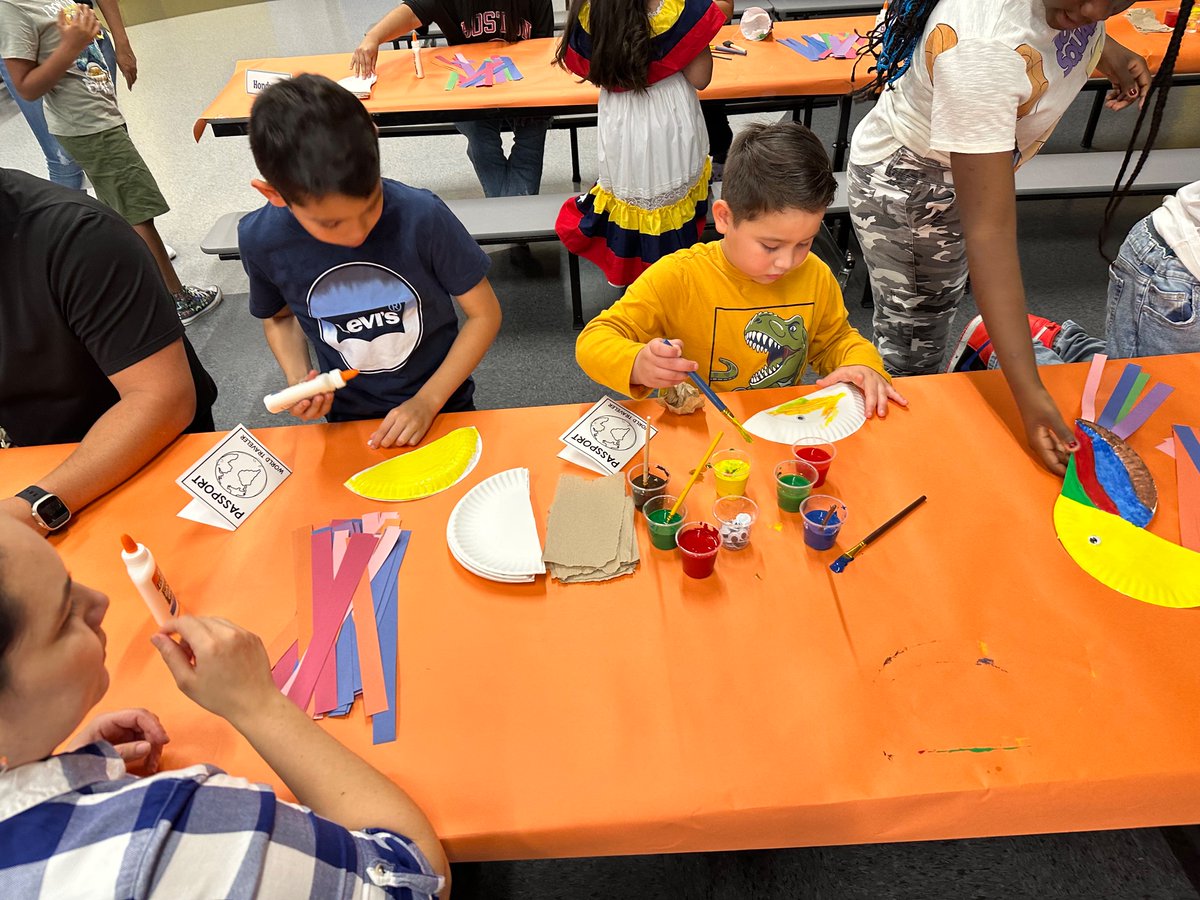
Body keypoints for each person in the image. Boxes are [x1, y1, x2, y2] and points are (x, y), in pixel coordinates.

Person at [0, 515, 450, 898]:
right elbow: (415, 879)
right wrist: (257, 703)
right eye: (64, 618)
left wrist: (50, 773)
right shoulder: (163, 833)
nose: (99, 602)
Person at [846, 0, 1172, 474]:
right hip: (915, 191)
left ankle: (971, 347)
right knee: (912, 357)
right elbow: (991, 232)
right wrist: (1030, 393)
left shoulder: (1061, 15)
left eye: (1114, 2)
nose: (1090, 11)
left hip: (955, 175)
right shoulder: (983, 51)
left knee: (935, 313)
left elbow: (1056, 35)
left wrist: (1110, 52)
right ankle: (900, 469)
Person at [240, 75, 502, 449]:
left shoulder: (421, 216)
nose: (356, 234)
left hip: (445, 405)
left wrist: (428, 401)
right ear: (273, 194)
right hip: (347, 419)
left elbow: (484, 315)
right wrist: (301, 379)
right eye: (331, 222)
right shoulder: (261, 239)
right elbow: (280, 318)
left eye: (370, 206)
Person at [576, 122, 906, 417]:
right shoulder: (679, 276)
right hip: (699, 430)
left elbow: (835, 339)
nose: (787, 262)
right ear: (723, 217)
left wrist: (862, 363)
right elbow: (593, 341)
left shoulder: (815, 274)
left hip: (780, 424)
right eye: (771, 246)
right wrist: (637, 364)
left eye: (804, 243)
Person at [0, 168, 218, 536]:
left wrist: (34, 508)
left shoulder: (78, 234)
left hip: (144, 462)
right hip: (32, 466)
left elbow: (162, 399)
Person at [0, 0, 220, 324]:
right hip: (89, 126)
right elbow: (26, 87)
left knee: (124, 207)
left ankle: (136, 284)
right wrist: (71, 46)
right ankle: (175, 299)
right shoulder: (13, 8)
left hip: (100, 116)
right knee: (137, 212)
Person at [352, 0, 553, 272]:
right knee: (481, 139)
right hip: (469, 88)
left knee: (532, 133)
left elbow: (544, 49)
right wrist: (372, 37)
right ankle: (517, 228)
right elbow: (412, 11)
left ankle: (512, 225)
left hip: (526, 84)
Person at [553, 0, 726, 287]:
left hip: (621, 122)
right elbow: (701, 78)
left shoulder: (591, 13)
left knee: (633, 197)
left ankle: (639, 286)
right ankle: (673, 283)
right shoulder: (674, 10)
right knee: (671, 200)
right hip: (669, 119)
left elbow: (585, 69)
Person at [949, 181, 1200, 371]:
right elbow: (988, 233)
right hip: (1180, 261)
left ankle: (1061, 345)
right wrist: (1009, 339)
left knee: (1144, 394)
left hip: (1177, 258)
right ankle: (1014, 343)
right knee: (1142, 406)